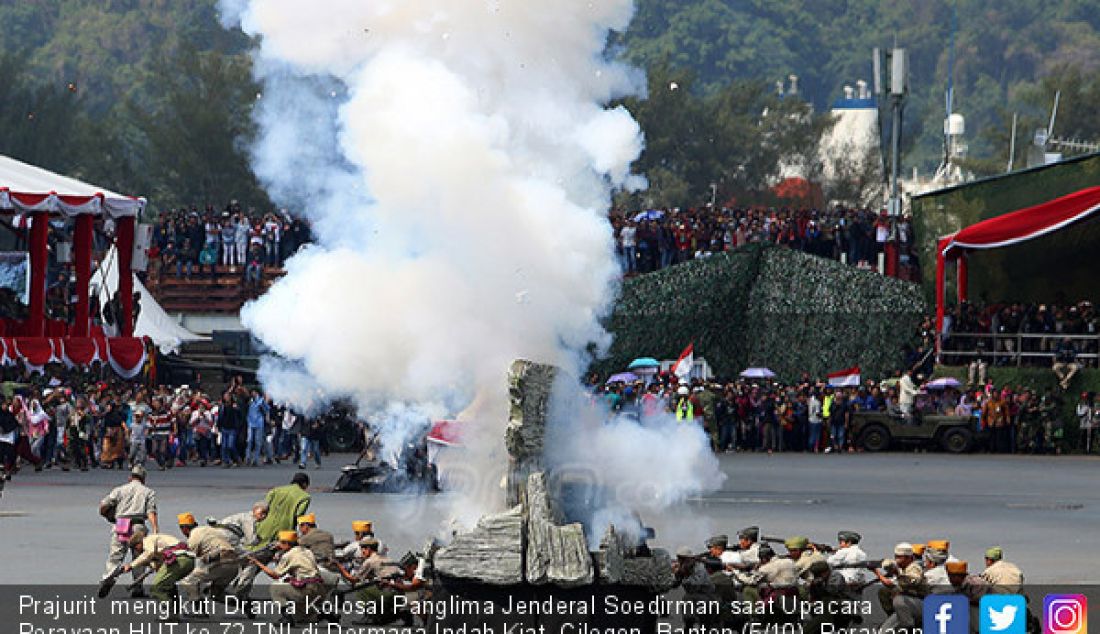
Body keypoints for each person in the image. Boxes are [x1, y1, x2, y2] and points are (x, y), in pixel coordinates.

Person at [99, 465, 159, 592]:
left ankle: (109, 577)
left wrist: (108, 516)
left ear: (130, 477)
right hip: (138, 525)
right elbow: (151, 512)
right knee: (139, 557)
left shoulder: (119, 490)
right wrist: (155, 529)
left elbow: (104, 505)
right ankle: (137, 587)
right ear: (143, 479)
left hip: (121, 523)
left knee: (116, 555)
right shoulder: (148, 492)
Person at [248, 531, 324, 626]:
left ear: (287, 543)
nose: (278, 545)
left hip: (306, 589)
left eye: (280, 542)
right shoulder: (306, 551)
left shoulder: (288, 555)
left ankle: (286, 618)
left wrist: (257, 562)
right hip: (320, 588)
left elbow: (275, 575)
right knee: (301, 617)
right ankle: (328, 615)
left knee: (275, 588)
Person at [123, 525, 194, 605]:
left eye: (135, 548)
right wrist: (154, 565)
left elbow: (149, 553)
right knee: (168, 585)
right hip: (189, 561)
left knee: (157, 588)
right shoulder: (158, 546)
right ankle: (174, 612)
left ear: (138, 543)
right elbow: (159, 560)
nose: (137, 551)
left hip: (179, 558)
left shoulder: (148, 540)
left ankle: (170, 611)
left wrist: (131, 565)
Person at [177, 512, 238, 600]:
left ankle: (198, 610)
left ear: (184, 528)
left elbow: (190, 561)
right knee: (215, 594)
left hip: (222, 562)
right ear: (195, 524)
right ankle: (245, 605)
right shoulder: (209, 529)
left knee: (188, 580)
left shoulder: (193, 538)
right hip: (234, 565)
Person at [874, 543, 927, 631]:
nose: (897, 560)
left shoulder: (914, 568)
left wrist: (895, 574)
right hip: (907, 603)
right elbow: (890, 584)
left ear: (908, 558)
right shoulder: (902, 567)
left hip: (916, 603)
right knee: (884, 591)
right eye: (896, 557)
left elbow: (911, 582)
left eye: (900, 557)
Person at [255, 472, 311, 545]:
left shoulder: (276, 490)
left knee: (258, 548)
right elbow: (299, 514)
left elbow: (264, 506)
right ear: (304, 484)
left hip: (264, 525)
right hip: (285, 529)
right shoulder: (305, 497)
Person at [245, 390, 270, 467]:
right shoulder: (249, 400)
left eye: (254, 392)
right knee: (249, 440)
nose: (253, 393)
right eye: (252, 392)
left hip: (259, 423)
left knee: (257, 442)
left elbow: (267, 409)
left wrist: (267, 418)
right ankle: (248, 457)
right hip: (250, 422)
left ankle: (255, 459)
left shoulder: (261, 401)